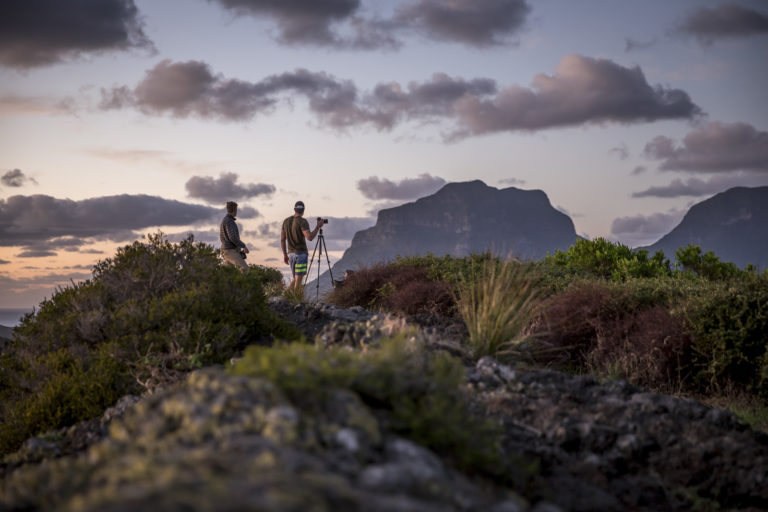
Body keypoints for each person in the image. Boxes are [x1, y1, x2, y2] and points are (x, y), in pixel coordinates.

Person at [281, 200, 322, 291]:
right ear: (303, 210)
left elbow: (282, 239)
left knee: (296, 278)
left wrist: (285, 255)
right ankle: (295, 298)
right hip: (301, 254)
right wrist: (318, 226)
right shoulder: (302, 221)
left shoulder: (286, 221)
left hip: (291, 255)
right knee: (298, 281)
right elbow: (309, 237)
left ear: (294, 209)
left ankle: (287, 295)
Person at [220, 201, 250, 272]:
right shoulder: (229, 221)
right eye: (236, 209)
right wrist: (243, 246)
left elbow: (221, 237)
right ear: (234, 210)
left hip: (226, 251)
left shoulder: (226, 220)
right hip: (230, 251)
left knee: (227, 273)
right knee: (245, 269)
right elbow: (232, 237)